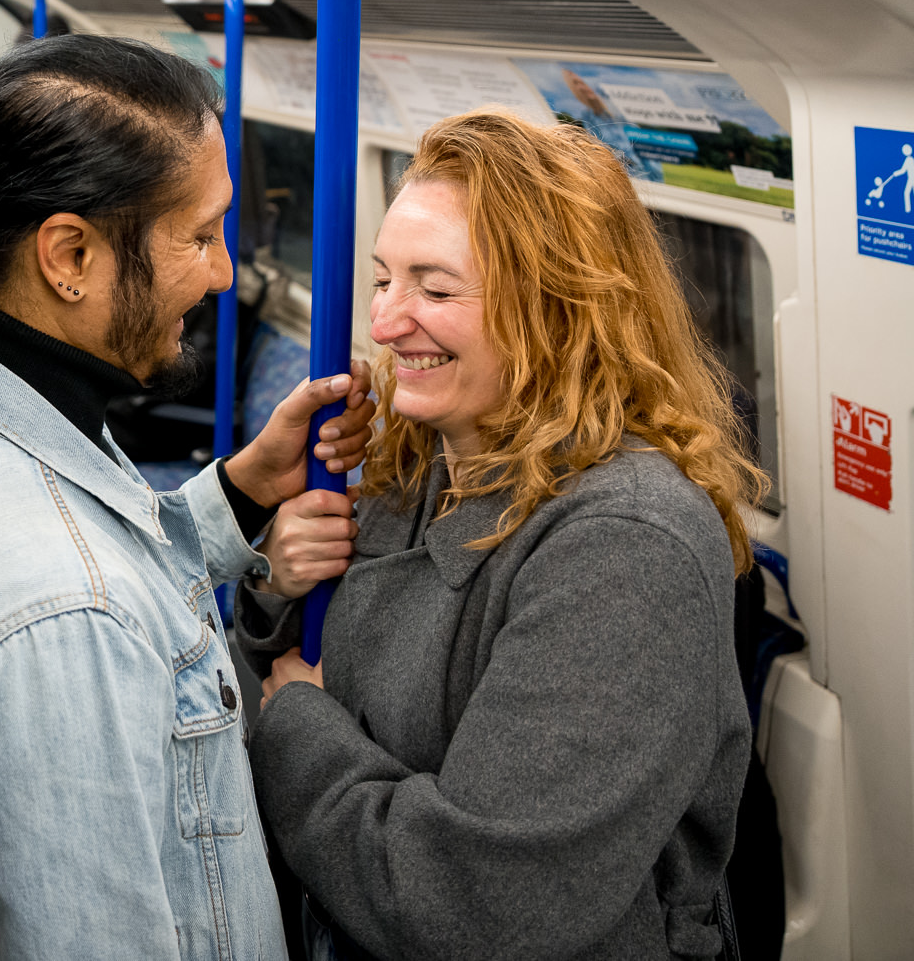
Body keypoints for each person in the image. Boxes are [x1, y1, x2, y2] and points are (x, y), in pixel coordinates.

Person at [0, 35, 376, 960]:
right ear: (69, 254)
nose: (219, 274)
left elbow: (107, 551)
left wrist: (244, 489)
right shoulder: (55, 629)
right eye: (199, 236)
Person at [240, 109, 759, 961]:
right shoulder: (415, 456)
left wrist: (296, 727)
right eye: (382, 280)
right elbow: (294, 654)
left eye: (435, 289)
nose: (387, 322)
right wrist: (272, 580)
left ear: (557, 309)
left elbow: (481, 904)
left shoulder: (627, 547)